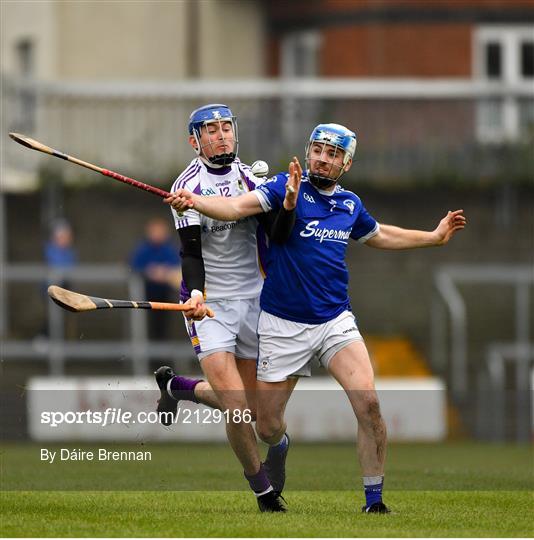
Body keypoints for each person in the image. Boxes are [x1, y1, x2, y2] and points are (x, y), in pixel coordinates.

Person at [166, 122, 467, 514]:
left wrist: (433, 236)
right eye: (318, 151)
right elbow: (235, 207)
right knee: (267, 425)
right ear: (308, 152)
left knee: (369, 404)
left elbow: (380, 235)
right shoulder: (281, 187)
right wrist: (195, 201)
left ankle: (374, 502)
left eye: (333, 154)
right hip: (282, 325)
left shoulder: (349, 205)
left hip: (334, 321)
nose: (323, 160)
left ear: (346, 163)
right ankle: (194, 394)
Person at [155, 104, 295, 513]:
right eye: (210, 130)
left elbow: (278, 236)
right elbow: (190, 253)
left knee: (254, 412)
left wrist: (283, 203)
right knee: (235, 407)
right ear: (194, 140)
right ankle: (264, 493)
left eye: (226, 127)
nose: (221, 135)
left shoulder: (253, 178)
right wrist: (195, 294)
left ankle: (177, 387)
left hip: (255, 301)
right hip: (208, 304)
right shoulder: (185, 186)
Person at [130, 217, 182, 340]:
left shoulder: (170, 249)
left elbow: (177, 268)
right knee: (144, 329)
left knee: (163, 330)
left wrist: (165, 273)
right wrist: (149, 272)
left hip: (166, 296)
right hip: (144, 296)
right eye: (155, 231)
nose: (157, 234)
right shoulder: (143, 249)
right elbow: (133, 267)